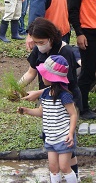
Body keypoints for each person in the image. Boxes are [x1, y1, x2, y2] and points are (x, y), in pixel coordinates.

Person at [19, 17, 81, 174]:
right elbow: (31, 72)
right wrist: (16, 88)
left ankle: (73, 178)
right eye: (35, 42)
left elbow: (64, 85)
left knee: (66, 142)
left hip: (66, 98)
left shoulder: (65, 51)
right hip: (47, 98)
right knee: (50, 132)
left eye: (41, 42)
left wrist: (38, 93)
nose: (38, 45)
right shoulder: (38, 50)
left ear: (51, 37)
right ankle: (59, 178)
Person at [18, 55, 79, 183]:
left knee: (64, 166)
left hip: (63, 138)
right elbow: (41, 112)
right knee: (53, 167)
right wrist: (26, 111)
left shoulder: (65, 95)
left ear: (52, 78)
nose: (42, 77)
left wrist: (70, 133)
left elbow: (73, 114)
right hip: (50, 137)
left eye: (44, 74)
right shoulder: (45, 94)